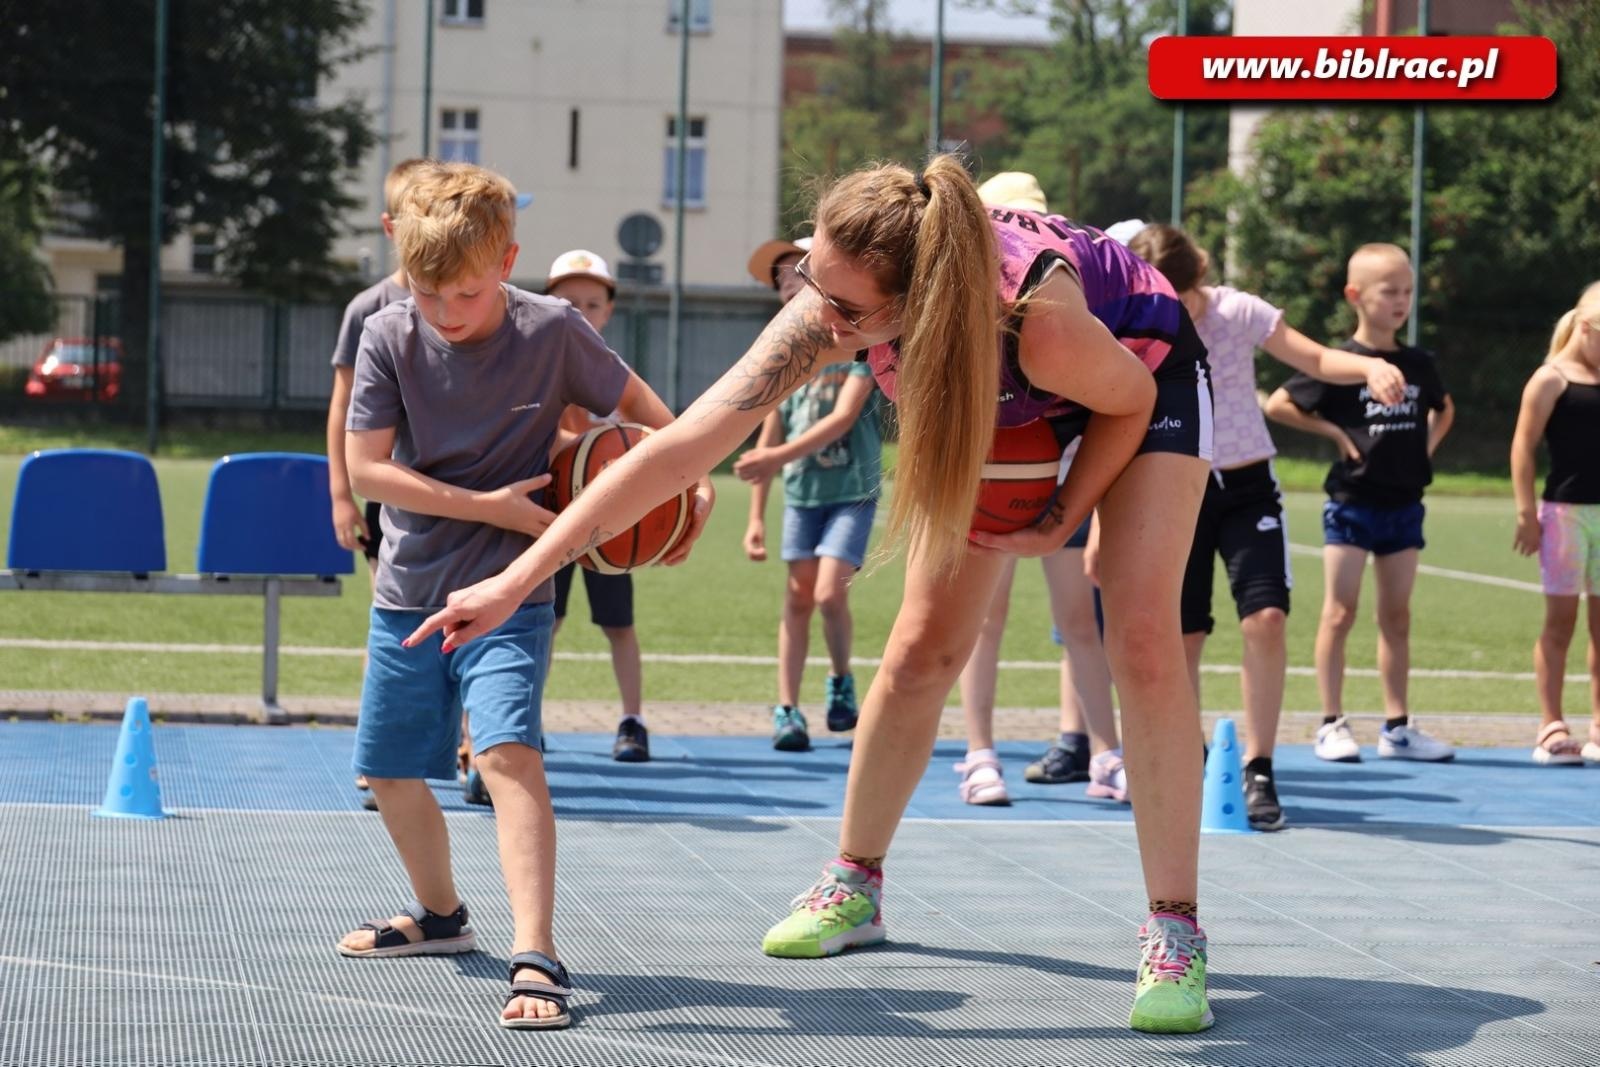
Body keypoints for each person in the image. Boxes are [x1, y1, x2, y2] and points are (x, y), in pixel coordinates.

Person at [407, 155, 1221, 1034]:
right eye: (812, 281)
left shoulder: (1040, 321)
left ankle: (1175, 926)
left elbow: (1132, 399)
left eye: (845, 309)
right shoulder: (832, 306)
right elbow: (681, 449)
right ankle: (856, 881)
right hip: (998, 387)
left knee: (1143, 637)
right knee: (921, 649)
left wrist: (1064, 513)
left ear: (914, 302)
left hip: (1141, 374)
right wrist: (517, 577)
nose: (820, 318)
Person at [335, 161, 711, 1030]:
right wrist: (490, 505)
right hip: (409, 587)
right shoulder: (389, 334)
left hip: (514, 592)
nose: (445, 312)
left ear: (507, 261)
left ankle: (536, 950)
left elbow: (660, 421)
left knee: (508, 756)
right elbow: (367, 471)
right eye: (428, 292)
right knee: (388, 771)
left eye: (466, 292)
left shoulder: (555, 330)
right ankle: (441, 916)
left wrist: (691, 482)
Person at [1129, 223, 1407, 828]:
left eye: (1179, 298)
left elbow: (1314, 357)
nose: (1171, 311)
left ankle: (1259, 766)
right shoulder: (1139, 321)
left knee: (1266, 618)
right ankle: (1190, 759)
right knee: (1183, 636)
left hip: (1246, 484)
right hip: (1174, 487)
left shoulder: (1236, 312)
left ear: (1197, 279)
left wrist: (1368, 369)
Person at [951, 172, 1122, 807]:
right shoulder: (961, 316)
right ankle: (979, 755)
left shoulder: (1067, 301)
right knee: (983, 620)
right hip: (987, 483)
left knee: (1080, 621)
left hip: (1064, 482)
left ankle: (1106, 754)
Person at [1264, 243, 1455, 764]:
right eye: (1389, 291)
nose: (1401, 301)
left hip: (1404, 504)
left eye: (1408, 291)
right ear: (1355, 295)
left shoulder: (1419, 363)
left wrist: (1425, 447)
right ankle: (1331, 722)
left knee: (1397, 616)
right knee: (1339, 611)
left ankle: (1397, 727)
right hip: (1352, 503)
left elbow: (1444, 409)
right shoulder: (1341, 364)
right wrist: (1332, 432)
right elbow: (1280, 403)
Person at [736, 234, 883, 751]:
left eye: (794, 272)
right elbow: (768, 435)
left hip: (851, 491)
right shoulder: (782, 356)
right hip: (802, 494)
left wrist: (774, 458)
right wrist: (756, 517)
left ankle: (841, 681)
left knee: (827, 594)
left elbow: (842, 419)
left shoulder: (858, 340)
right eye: (779, 279)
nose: (786, 283)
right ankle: (788, 708)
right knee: (797, 599)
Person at [325, 156, 427, 809]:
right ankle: (380, 752)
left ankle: (470, 746)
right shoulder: (369, 309)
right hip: (389, 498)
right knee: (391, 622)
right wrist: (342, 493)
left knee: (468, 625)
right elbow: (341, 406)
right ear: (392, 227)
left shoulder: (473, 304)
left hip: (458, 495)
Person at [544, 249, 653, 763]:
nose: (581, 313)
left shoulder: (616, 373)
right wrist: (593, 451)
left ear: (608, 311)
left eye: (591, 304)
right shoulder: (537, 367)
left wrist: (618, 448)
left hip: (609, 518)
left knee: (619, 623)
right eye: (569, 303)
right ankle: (524, 717)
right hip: (551, 512)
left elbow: (643, 433)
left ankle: (633, 720)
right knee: (544, 620)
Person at [1510, 282, 1600, 765]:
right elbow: (1523, 446)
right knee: (1560, 623)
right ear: (1586, 327)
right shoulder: (1550, 379)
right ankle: (1551, 724)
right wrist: (1526, 513)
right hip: (1565, 515)